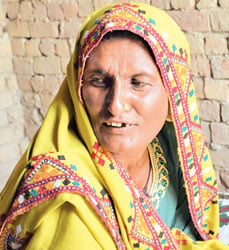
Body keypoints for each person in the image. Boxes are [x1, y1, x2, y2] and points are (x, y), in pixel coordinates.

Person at [0, 2, 228, 249]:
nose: (116, 106)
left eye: (138, 83)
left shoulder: (170, 145)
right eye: (98, 81)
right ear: (77, 87)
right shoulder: (68, 202)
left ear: (174, 92)